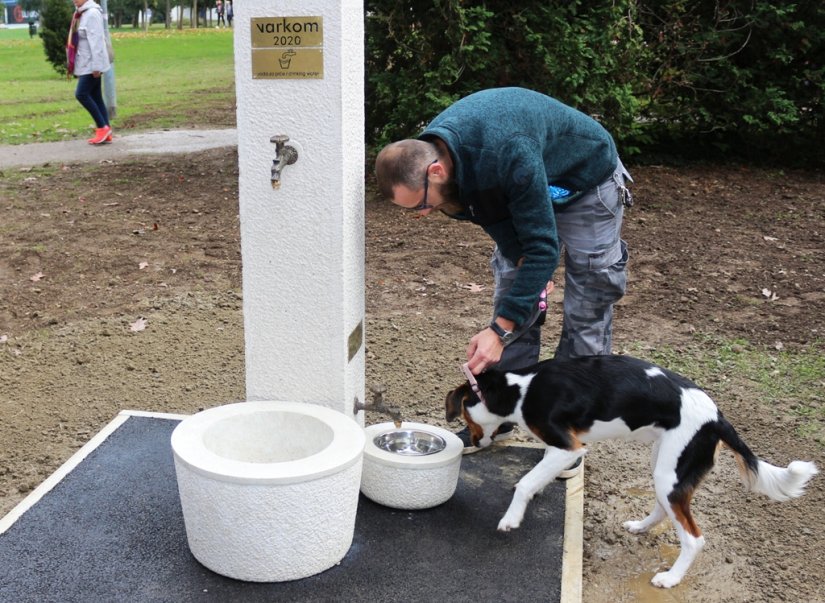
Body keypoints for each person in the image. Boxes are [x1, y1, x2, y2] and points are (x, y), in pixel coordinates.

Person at [375, 87, 633, 461]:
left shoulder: (505, 149)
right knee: (516, 284)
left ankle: (569, 433)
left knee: (587, 302)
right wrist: (523, 267)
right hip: (525, 185)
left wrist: (499, 330)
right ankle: (500, 413)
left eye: (422, 204)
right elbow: (491, 214)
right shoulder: (442, 155)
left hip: (583, 183)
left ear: (436, 170)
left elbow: (543, 247)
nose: (424, 214)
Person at [69, 0, 112, 145]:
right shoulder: (80, 13)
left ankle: (102, 127)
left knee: (81, 94)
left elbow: (97, 42)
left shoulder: (92, 13)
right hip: (85, 63)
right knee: (96, 96)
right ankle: (107, 129)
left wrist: (97, 66)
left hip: (92, 64)